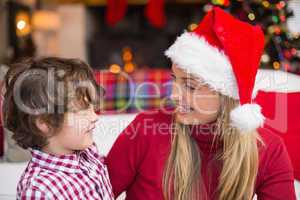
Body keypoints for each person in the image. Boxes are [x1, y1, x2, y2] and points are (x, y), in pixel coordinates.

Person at [106, 7, 296, 200]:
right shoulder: (145, 130)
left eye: (190, 86)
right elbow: (95, 192)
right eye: (175, 79)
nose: (174, 95)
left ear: (226, 95)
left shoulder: (268, 150)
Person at [2, 57, 114, 200]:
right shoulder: (39, 191)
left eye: (93, 107)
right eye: (82, 110)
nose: (95, 117)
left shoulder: (88, 151)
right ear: (46, 123)